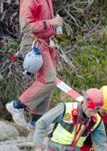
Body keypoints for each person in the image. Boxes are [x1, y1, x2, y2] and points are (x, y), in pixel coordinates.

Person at [5, 0, 63, 128]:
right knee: (49, 80)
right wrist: (50, 23)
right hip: (34, 43)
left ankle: (37, 120)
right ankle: (17, 106)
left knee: (48, 81)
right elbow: (26, 27)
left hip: (46, 42)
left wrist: (54, 24)